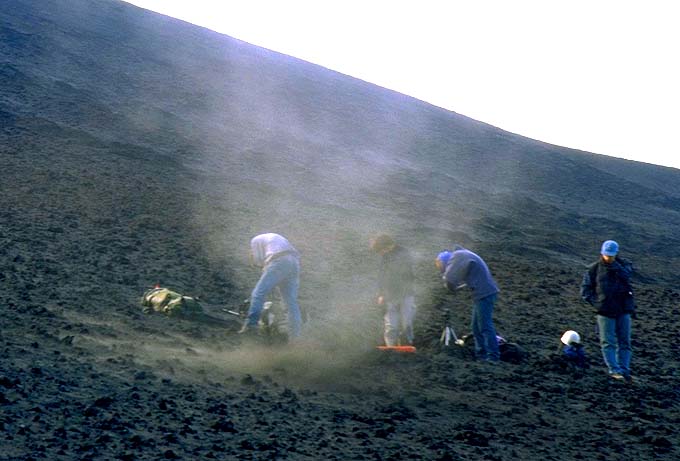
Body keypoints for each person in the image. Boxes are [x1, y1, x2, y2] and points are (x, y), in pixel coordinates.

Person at [580, 240, 635, 381]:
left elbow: (628, 277)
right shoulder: (593, 269)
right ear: (602, 253)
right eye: (606, 255)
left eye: (611, 255)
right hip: (605, 312)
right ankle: (614, 370)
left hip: (623, 309)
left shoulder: (624, 266)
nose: (608, 257)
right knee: (608, 342)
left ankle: (625, 370)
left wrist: (616, 268)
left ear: (616, 254)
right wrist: (598, 304)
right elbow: (585, 291)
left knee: (625, 342)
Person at [436, 246, 500, 362]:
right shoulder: (463, 255)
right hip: (483, 294)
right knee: (476, 327)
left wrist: (449, 285)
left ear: (446, 261)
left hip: (484, 294)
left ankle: (493, 357)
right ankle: (481, 355)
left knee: (485, 326)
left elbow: (450, 279)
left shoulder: (457, 256)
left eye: (440, 264)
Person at [239, 233, 302, 338]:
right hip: (294, 263)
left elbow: (259, 260)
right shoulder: (274, 239)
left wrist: (257, 264)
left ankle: (251, 326)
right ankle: (295, 336)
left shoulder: (254, 240)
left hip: (279, 261)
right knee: (291, 302)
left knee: (258, 293)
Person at [370, 234, 416, 346]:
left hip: (406, 293)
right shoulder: (385, 257)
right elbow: (381, 276)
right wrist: (381, 294)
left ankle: (408, 343)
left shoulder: (404, 253)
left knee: (407, 323)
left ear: (388, 246)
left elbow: (406, 274)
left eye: (381, 250)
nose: (381, 253)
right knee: (391, 324)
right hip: (390, 295)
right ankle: (390, 347)